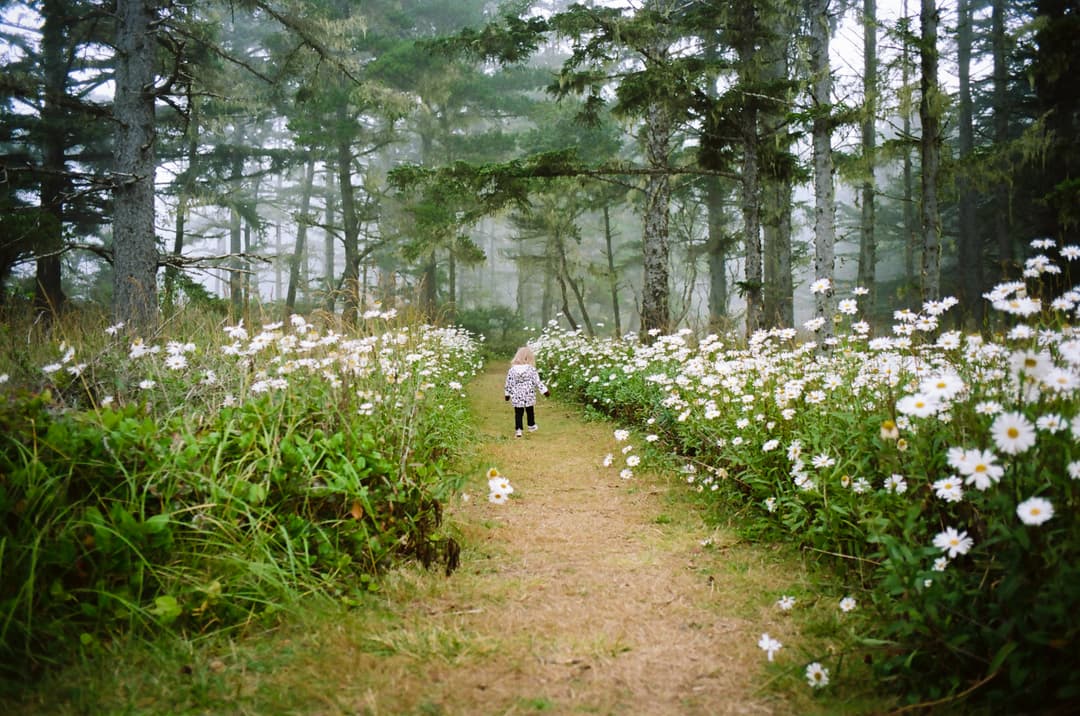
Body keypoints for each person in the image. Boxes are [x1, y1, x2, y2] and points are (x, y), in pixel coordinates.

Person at [504, 346, 549, 438]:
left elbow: (509, 383)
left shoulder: (512, 370)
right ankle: (531, 425)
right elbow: (537, 382)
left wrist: (507, 394)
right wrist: (545, 391)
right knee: (530, 410)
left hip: (516, 394)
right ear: (529, 357)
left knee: (518, 413)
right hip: (529, 394)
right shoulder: (531, 369)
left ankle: (518, 430)